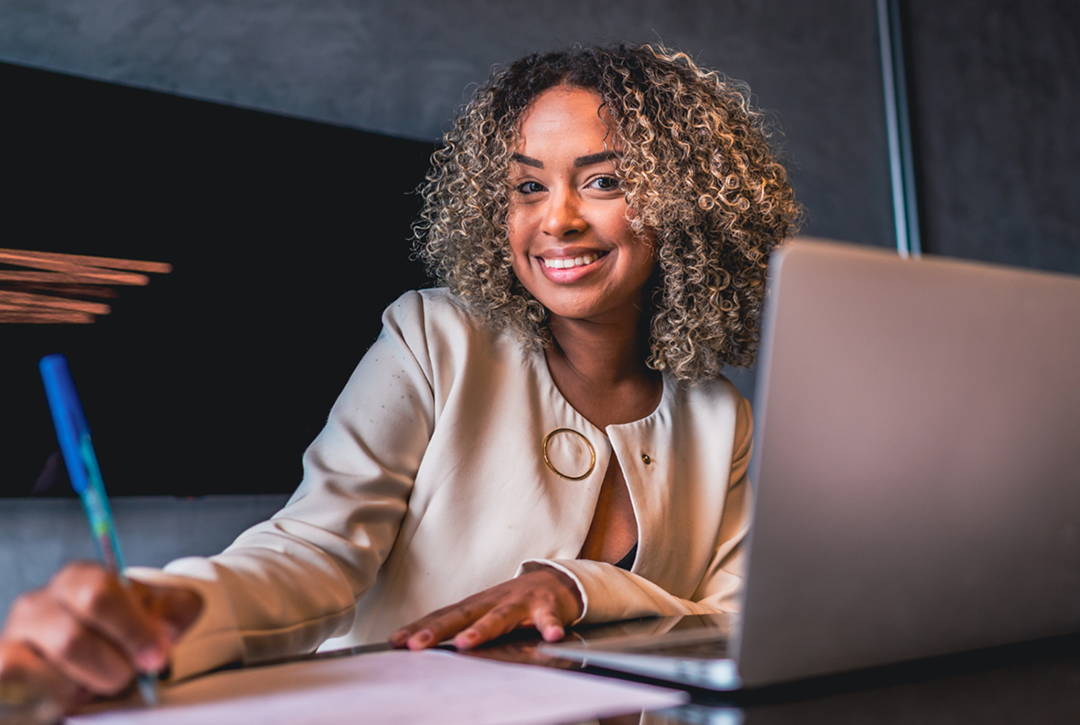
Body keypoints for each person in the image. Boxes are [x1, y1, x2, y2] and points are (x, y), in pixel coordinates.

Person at [0, 43, 799, 712]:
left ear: (686, 206)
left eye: (603, 180)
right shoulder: (435, 334)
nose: (556, 219)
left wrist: (577, 587)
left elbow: (735, 620)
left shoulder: (715, 413)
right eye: (527, 185)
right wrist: (173, 608)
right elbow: (315, 549)